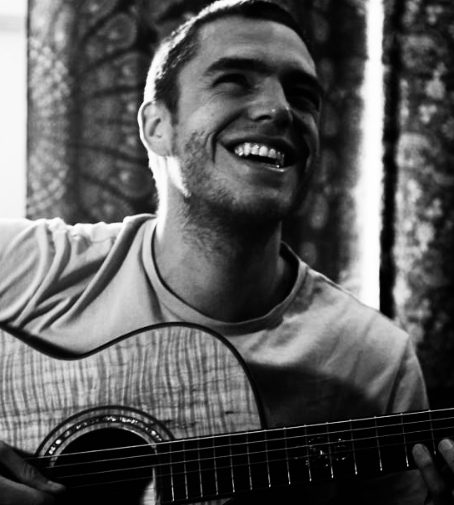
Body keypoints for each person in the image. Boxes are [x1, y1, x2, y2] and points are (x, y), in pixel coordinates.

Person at [0, 0, 452, 503]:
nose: (281, 108)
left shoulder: (375, 362)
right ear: (157, 127)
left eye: (302, 95)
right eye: (235, 81)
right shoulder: (24, 267)